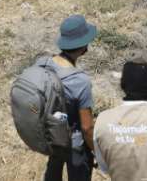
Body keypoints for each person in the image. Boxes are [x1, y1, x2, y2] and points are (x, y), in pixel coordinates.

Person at [43, 15, 97, 181]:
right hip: (74, 142)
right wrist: (96, 150)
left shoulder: (45, 63)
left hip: (52, 133)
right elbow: (87, 128)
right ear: (83, 46)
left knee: (53, 168)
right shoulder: (80, 81)